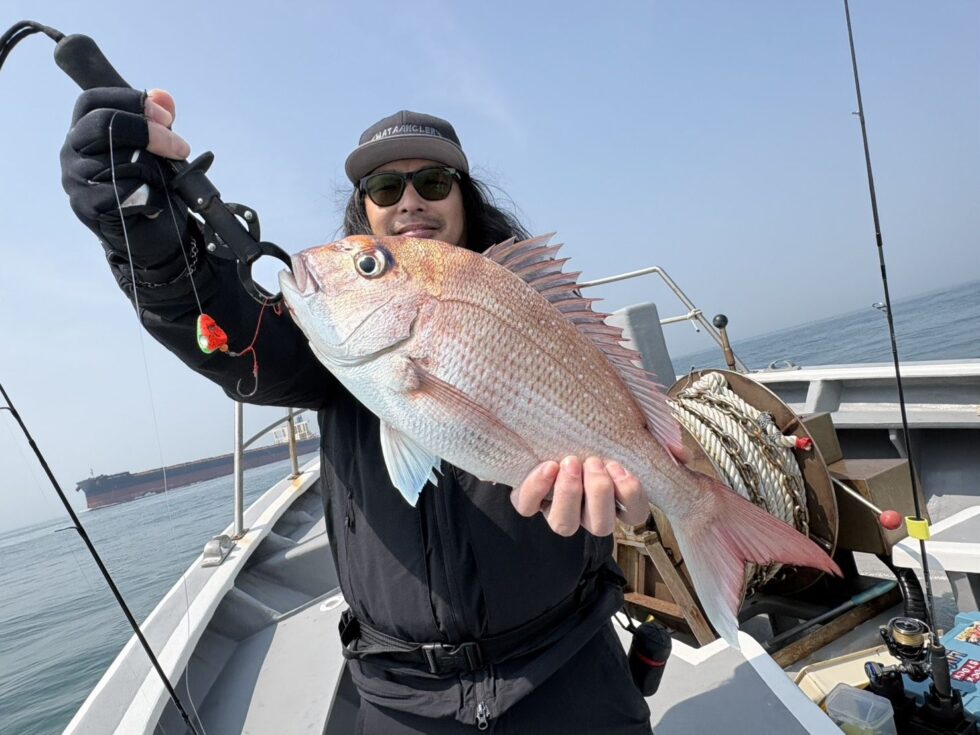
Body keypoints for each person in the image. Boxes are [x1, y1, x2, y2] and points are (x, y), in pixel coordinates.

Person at [61, 88, 655, 733]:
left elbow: (610, 432)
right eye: (384, 187)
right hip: (402, 695)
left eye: (433, 181)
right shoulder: (330, 338)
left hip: (570, 662)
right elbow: (225, 326)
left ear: (464, 197)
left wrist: (645, 496)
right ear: (364, 210)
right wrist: (147, 235)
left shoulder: (520, 302)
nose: (410, 200)